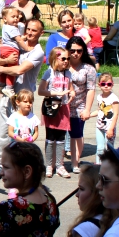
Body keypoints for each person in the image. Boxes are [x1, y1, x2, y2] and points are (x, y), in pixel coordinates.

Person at [0, 20, 46, 166]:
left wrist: (2, 69)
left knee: (24, 133)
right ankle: (1, 164)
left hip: (24, 99)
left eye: (34, 31)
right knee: (2, 130)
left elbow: (19, 70)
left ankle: (22, 163)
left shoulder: (38, 52)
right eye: (28, 29)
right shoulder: (17, 44)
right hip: (9, 93)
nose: (29, 32)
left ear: (41, 33)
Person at [39, 47, 75, 178]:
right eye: (63, 59)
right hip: (51, 107)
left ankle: (60, 165)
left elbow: (71, 88)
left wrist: (72, 93)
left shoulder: (68, 73)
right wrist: (57, 93)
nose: (66, 61)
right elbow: (41, 91)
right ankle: (49, 165)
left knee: (61, 138)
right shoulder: (49, 73)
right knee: (50, 137)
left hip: (64, 107)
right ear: (55, 59)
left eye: (68, 59)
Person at [65, 36, 96, 173]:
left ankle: (75, 162)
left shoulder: (88, 68)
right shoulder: (63, 65)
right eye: (72, 51)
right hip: (63, 105)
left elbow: (91, 89)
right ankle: (57, 163)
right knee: (59, 136)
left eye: (79, 50)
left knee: (77, 134)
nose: (76, 53)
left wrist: (87, 109)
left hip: (79, 106)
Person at [0, 7, 36, 97]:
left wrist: (23, 37)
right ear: (5, 19)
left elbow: (15, 38)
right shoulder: (13, 28)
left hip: (4, 49)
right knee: (12, 69)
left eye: (17, 16)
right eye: (13, 17)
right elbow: (19, 41)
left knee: (4, 66)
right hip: (11, 50)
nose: (16, 18)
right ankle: (9, 88)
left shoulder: (5, 27)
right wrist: (27, 48)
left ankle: (1, 84)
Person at [92, 72, 119, 162]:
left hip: (109, 127)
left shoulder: (114, 98)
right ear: (99, 85)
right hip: (99, 126)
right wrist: (89, 115)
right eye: (103, 84)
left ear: (112, 84)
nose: (106, 86)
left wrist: (111, 128)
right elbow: (99, 110)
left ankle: (109, 167)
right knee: (99, 148)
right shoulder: (99, 97)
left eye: (109, 84)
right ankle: (98, 166)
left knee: (109, 149)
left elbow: (116, 114)